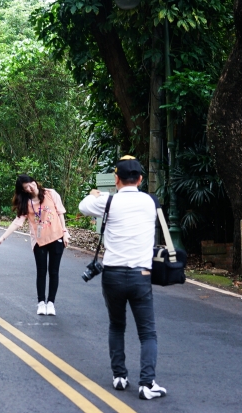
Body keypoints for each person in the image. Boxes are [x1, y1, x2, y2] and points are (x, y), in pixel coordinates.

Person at [78, 156, 167, 400]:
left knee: (117, 325)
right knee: (147, 332)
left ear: (116, 179)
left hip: (113, 275)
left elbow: (82, 206)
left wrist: (95, 194)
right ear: (140, 179)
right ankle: (147, 384)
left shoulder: (108, 201)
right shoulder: (150, 201)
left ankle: (119, 376)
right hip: (141, 275)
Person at [0, 175, 69, 316]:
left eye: (31, 184)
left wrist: (65, 232)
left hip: (56, 237)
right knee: (41, 272)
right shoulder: (26, 203)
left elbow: (60, 213)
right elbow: (17, 222)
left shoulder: (51, 193)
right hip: (39, 241)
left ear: (35, 182)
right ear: (24, 190)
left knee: (54, 271)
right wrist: (1, 238)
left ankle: (51, 303)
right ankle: (41, 302)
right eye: (26, 187)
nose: (31, 187)